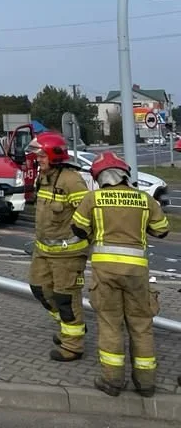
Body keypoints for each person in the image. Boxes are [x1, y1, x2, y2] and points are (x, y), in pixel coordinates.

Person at [71, 152, 170, 397]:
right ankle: (145, 383)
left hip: (105, 273)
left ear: (99, 177)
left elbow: (78, 228)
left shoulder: (93, 198)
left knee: (110, 324)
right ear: (125, 174)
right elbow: (162, 230)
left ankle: (112, 381)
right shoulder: (144, 199)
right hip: (137, 273)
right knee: (141, 324)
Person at [27, 131, 90, 362]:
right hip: (43, 251)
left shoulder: (71, 181)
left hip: (68, 254)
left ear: (54, 155)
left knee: (65, 298)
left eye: (41, 156)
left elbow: (88, 214)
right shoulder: (44, 177)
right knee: (39, 289)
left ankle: (73, 345)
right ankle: (68, 327)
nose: (38, 160)